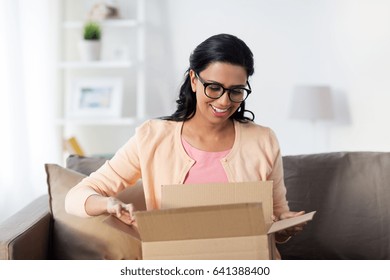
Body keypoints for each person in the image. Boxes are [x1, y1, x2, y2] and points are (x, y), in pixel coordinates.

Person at [65, 33, 305, 257]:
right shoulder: (152, 137)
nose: (224, 101)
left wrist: (284, 225)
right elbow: (75, 198)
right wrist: (108, 203)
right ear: (193, 79)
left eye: (236, 91)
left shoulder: (263, 140)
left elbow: (277, 212)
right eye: (214, 87)